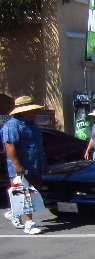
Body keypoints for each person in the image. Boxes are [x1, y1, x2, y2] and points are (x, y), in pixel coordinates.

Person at [2, 96, 45, 234]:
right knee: (24, 194)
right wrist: (17, 164)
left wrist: (44, 161)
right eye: (31, 110)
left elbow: (38, 145)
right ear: (22, 111)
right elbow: (9, 146)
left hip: (35, 164)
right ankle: (29, 224)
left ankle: (14, 212)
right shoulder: (13, 125)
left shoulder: (32, 124)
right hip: (22, 166)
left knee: (34, 192)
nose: (34, 112)